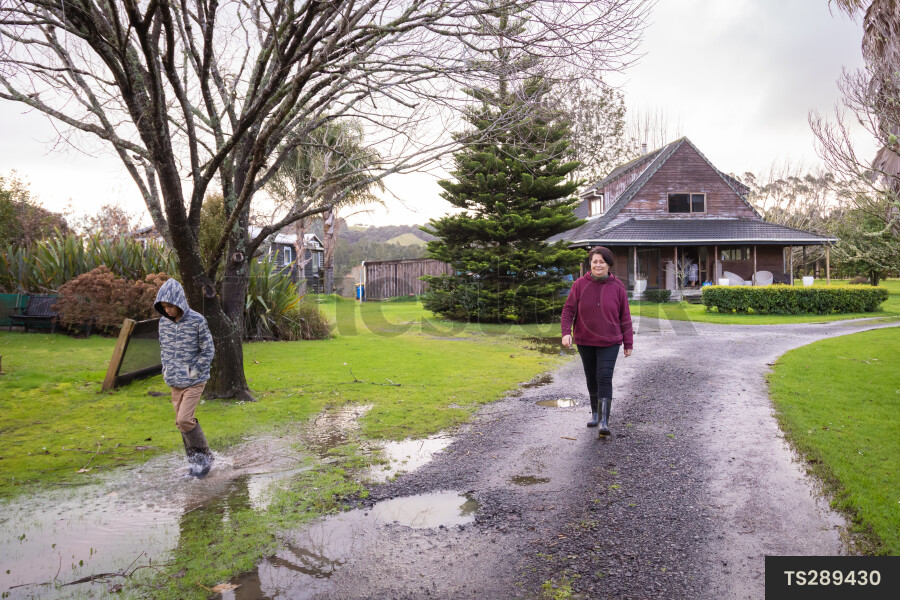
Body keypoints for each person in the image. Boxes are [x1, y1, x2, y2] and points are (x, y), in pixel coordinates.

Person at [560, 246, 633, 436]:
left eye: (602, 261)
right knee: (591, 377)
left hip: (610, 341)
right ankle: (595, 414)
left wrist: (628, 343)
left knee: (604, 377)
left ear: (609, 264)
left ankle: (604, 421)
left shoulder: (618, 287)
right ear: (590, 264)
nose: (598, 265)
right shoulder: (579, 285)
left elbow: (625, 315)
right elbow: (568, 310)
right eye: (595, 261)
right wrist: (566, 332)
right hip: (585, 340)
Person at [154, 278, 216, 477]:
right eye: (164, 307)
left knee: (184, 419)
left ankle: (205, 458)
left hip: (194, 381)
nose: (168, 310)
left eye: (170, 306)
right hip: (174, 382)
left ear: (179, 301)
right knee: (180, 422)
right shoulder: (163, 323)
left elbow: (208, 350)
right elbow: (164, 349)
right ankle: (194, 462)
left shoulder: (197, 321)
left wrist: (194, 371)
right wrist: (166, 371)